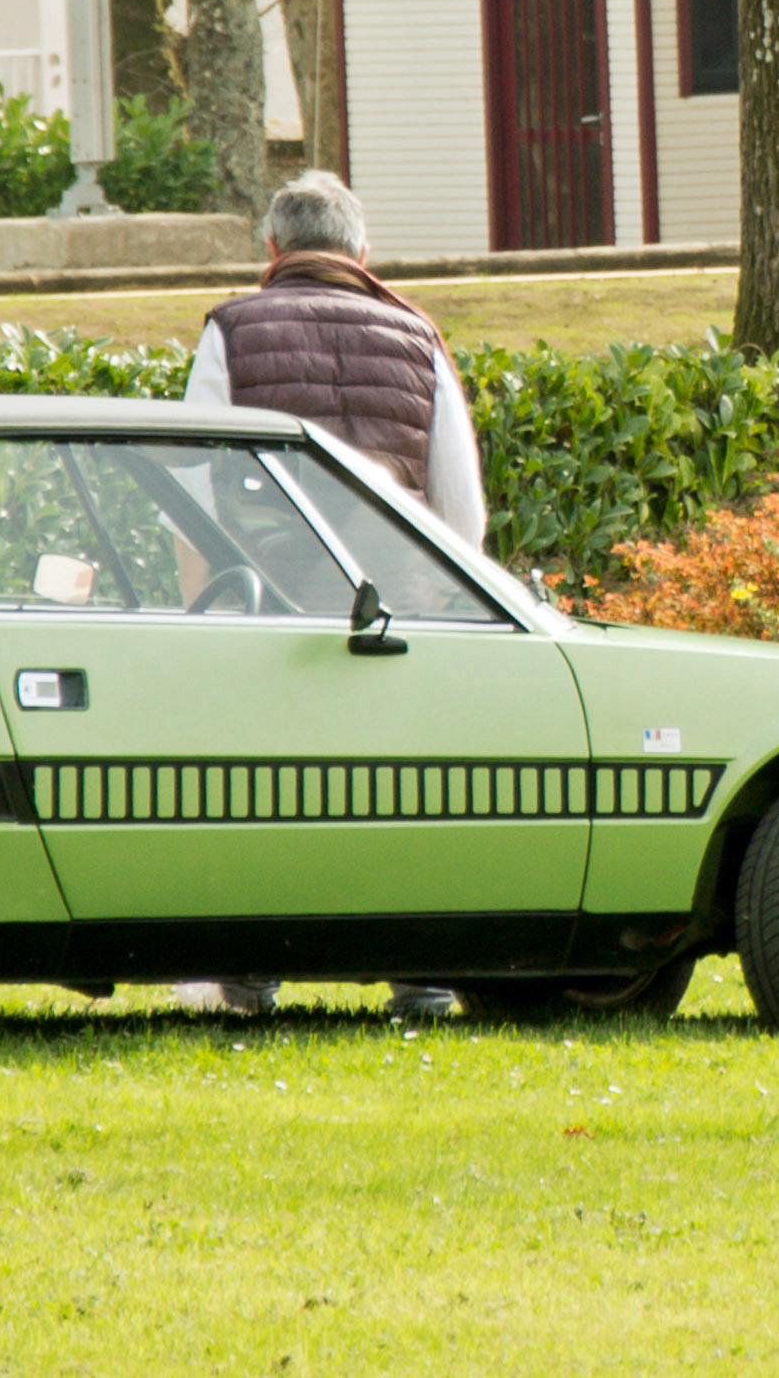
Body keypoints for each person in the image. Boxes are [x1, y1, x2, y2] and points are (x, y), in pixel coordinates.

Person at [170, 170, 483, 1021]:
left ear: (272, 251)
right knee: (403, 788)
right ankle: (418, 972)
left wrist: (201, 602)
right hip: (400, 604)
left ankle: (253, 971)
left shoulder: (230, 329)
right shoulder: (419, 334)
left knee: (261, 788)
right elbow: (461, 504)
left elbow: (196, 485)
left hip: (273, 599)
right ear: (363, 253)